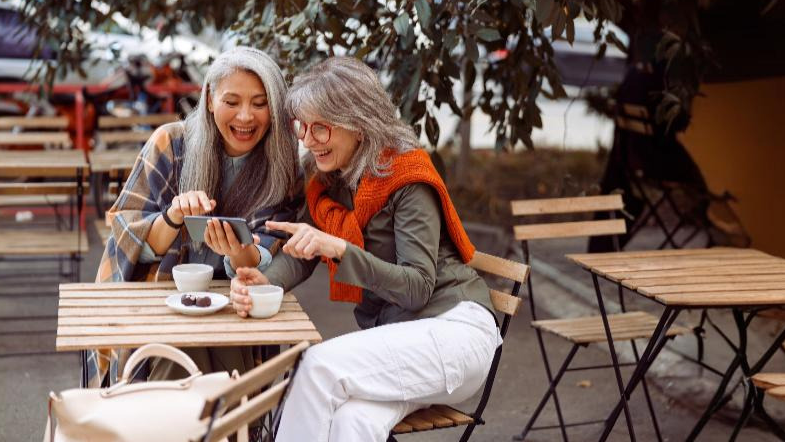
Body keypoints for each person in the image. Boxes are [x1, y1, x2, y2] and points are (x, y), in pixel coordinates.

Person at [228, 57, 502, 441]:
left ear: (357, 121)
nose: (307, 140)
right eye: (302, 127)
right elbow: (304, 248)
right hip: (402, 344)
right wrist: (265, 281)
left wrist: (341, 249)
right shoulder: (329, 180)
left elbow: (418, 287)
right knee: (351, 422)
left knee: (316, 366)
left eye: (320, 128)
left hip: (453, 333)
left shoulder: (406, 176)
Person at [96, 46, 301, 377]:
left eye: (260, 104)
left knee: (226, 379)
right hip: (161, 300)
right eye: (231, 102)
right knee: (174, 358)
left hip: (235, 307)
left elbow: (264, 255)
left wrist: (239, 253)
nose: (245, 116)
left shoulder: (282, 167)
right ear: (208, 99)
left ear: (274, 107)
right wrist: (172, 217)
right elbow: (126, 237)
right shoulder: (171, 143)